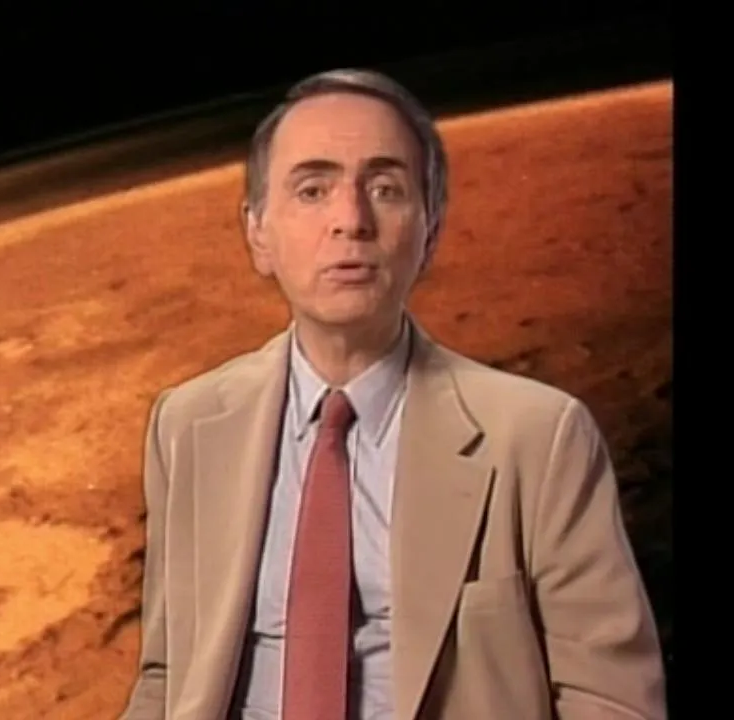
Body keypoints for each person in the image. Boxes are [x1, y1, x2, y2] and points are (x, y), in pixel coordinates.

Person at [121, 68, 666, 720]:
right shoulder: (186, 426)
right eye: (312, 190)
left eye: (385, 189)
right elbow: (166, 676)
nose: (351, 221)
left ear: (429, 231)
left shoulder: (539, 440)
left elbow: (612, 701)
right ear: (258, 233)